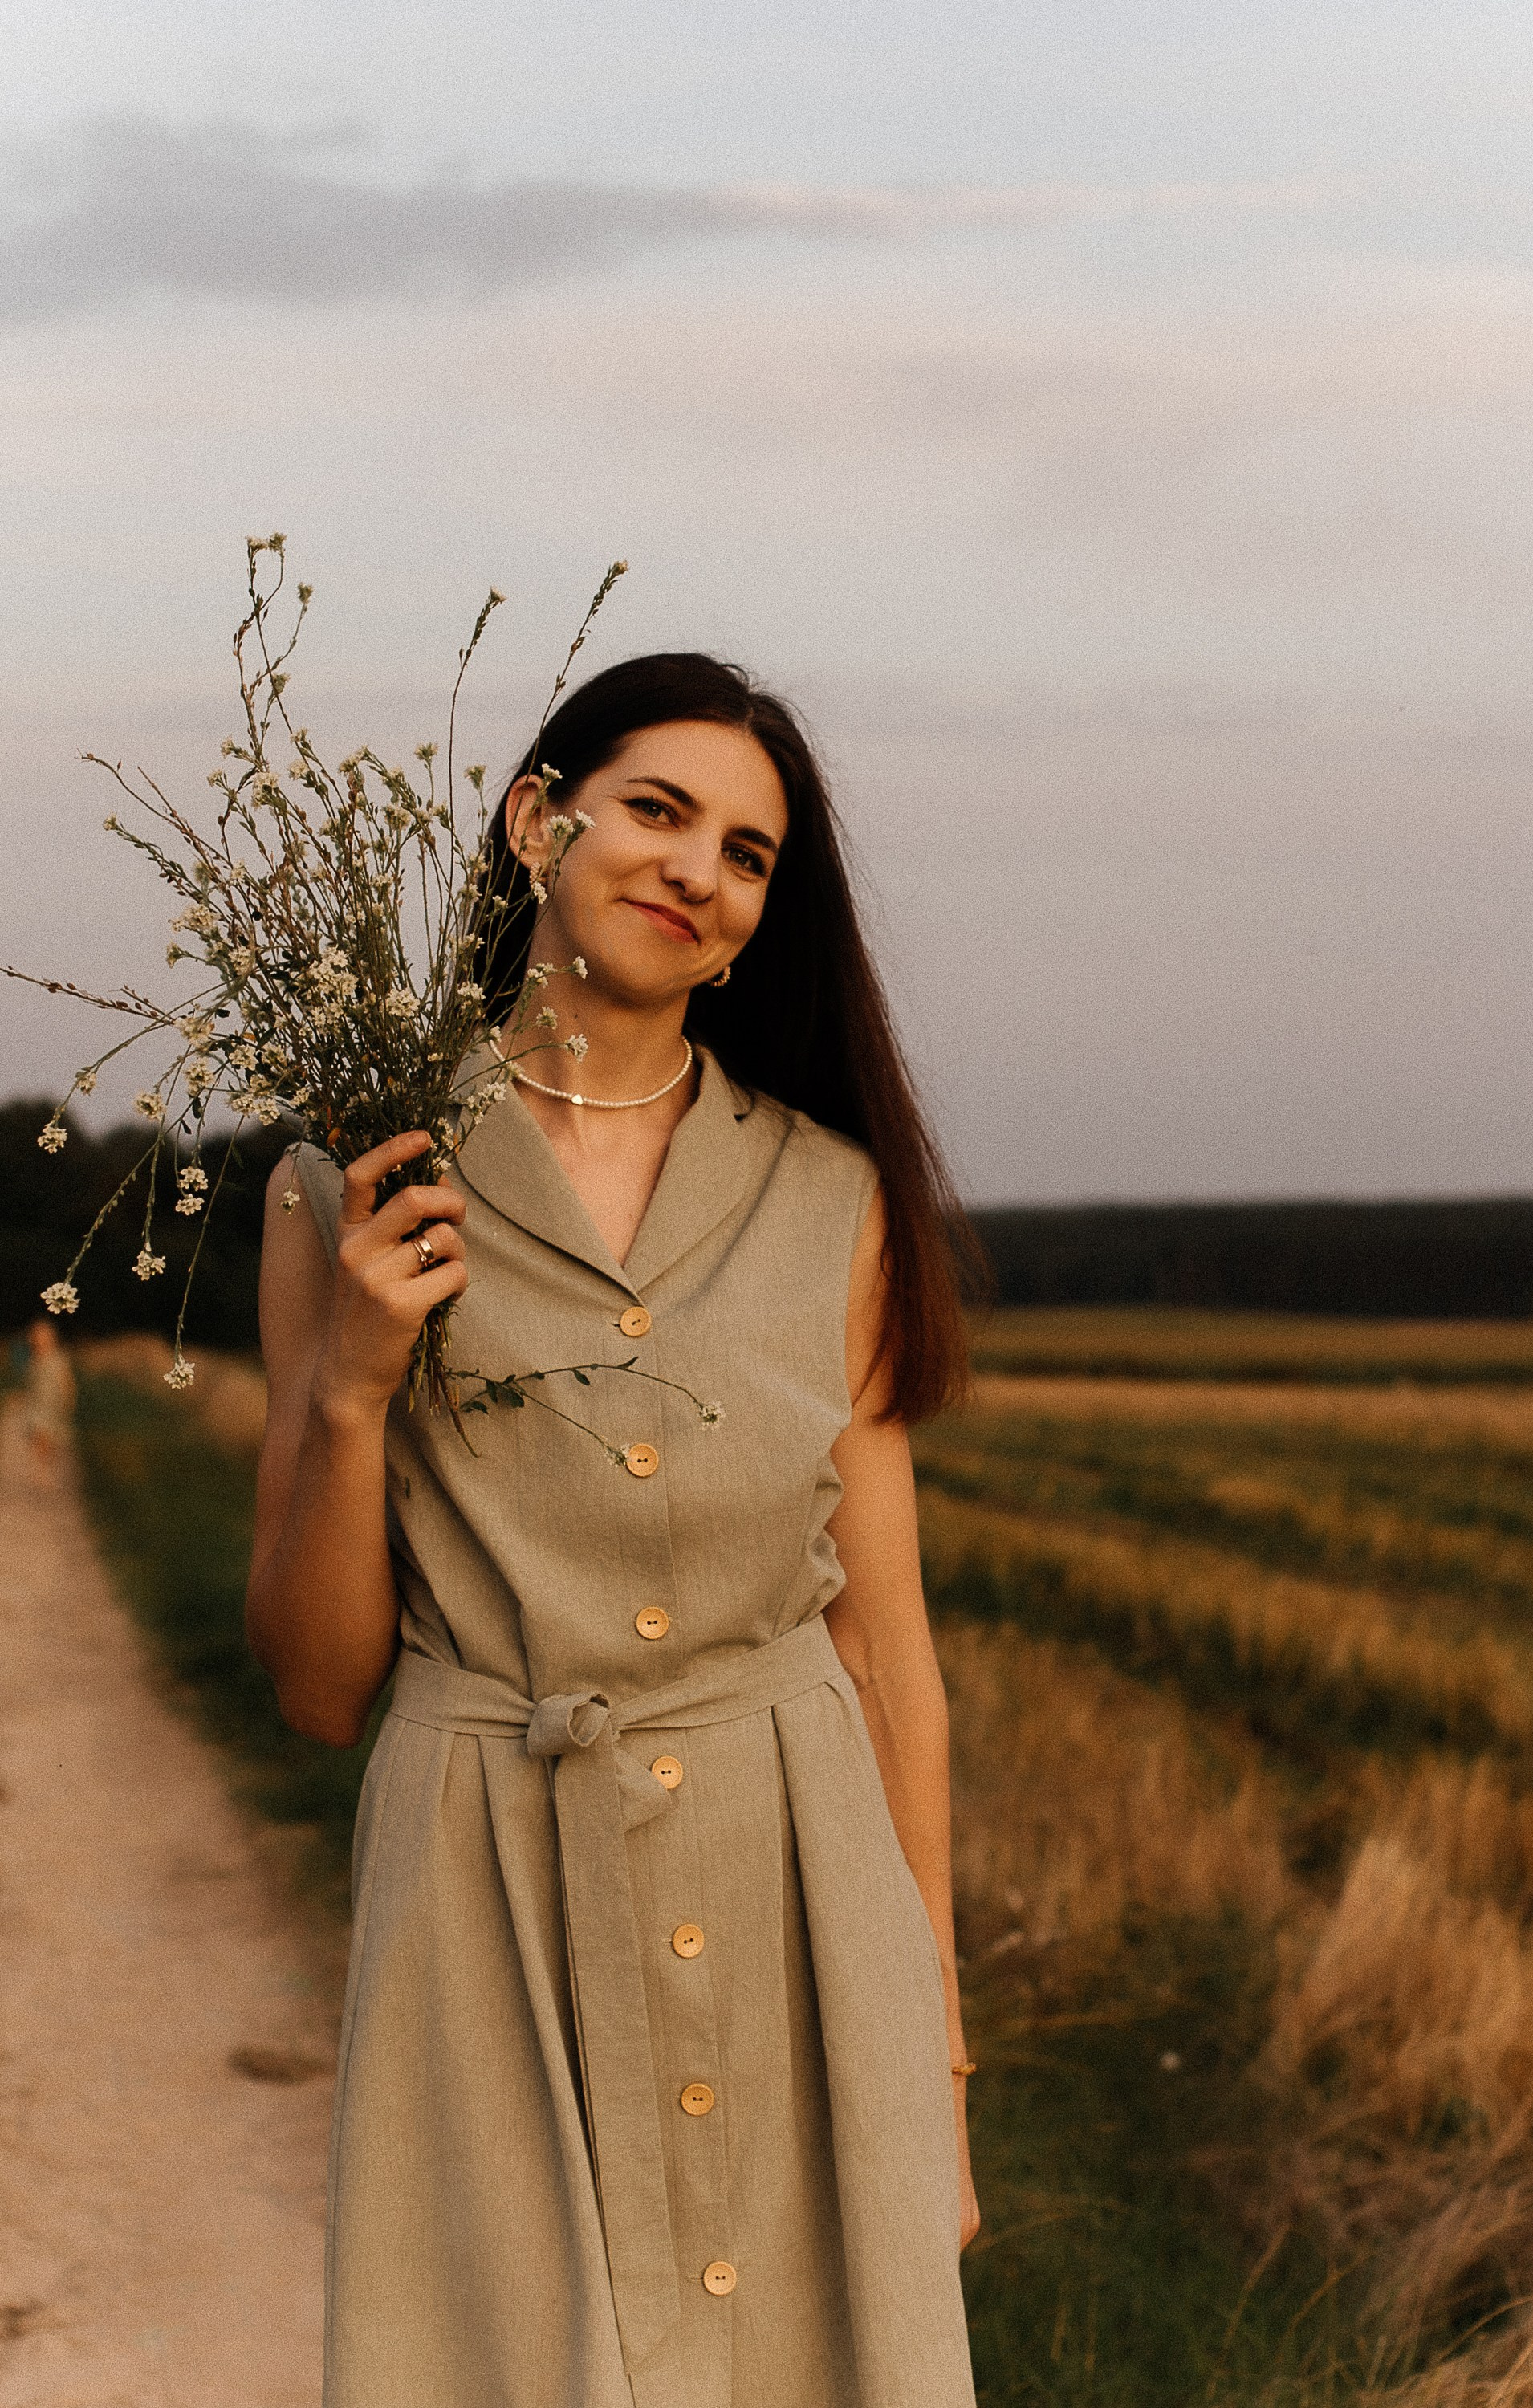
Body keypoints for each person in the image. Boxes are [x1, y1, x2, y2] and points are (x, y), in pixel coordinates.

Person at [246, 653, 981, 2408]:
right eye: (657, 810)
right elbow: (316, 1689)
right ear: (532, 824)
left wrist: (933, 2055)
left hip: (795, 1879)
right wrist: (350, 1391)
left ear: (751, 925)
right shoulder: (348, 1180)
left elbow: (886, 1652)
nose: (695, 869)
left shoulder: (833, 1197)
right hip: (486, 1895)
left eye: (745, 853)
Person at [22, 1316, 76, 1484]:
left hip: (53, 1403)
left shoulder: (58, 1358)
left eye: (44, 1335)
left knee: (49, 1438)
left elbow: (66, 1381)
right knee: (38, 1435)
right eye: (37, 1335)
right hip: (37, 1403)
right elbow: (31, 1382)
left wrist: (69, 1399)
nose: (40, 1338)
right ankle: (41, 1469)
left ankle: (45, 1467)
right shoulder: (34, 1359)